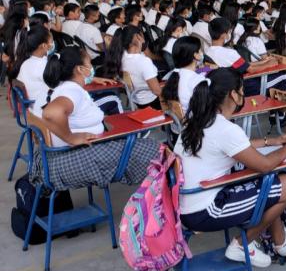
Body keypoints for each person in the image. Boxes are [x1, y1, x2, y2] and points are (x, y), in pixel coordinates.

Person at [176, 68, 286, 267]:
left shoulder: (196, 121)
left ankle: (280, 240)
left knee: (265, 184)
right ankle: (242, 244)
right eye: (241, 90)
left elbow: (237, 147)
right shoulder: (225, 129)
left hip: (186, 204)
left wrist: (271, 141)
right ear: (233, 94)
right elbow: (266, 165)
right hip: (205, 212)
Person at [30, 47, 160, 190]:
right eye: (89, 63)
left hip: (59, 157)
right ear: (80, 69)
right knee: (159, 154)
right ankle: (158, 203)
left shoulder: (62, 88)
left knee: (143, 148)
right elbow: (51, 113)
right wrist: (71, 138)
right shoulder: (71, 91)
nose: (92, 67)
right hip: (72, 159)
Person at [107, 26, 162, 110]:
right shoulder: (144, 61)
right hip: (152, 102)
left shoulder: (121, 56)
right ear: (138, 37)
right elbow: (157, 91)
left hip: (136, 99)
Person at [162, 36, 205, 113]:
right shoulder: (197, 80)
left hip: (180, 122)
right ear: (195, 55)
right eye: (200, 50)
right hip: (196, 122)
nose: (202, 52)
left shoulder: (172, 76)